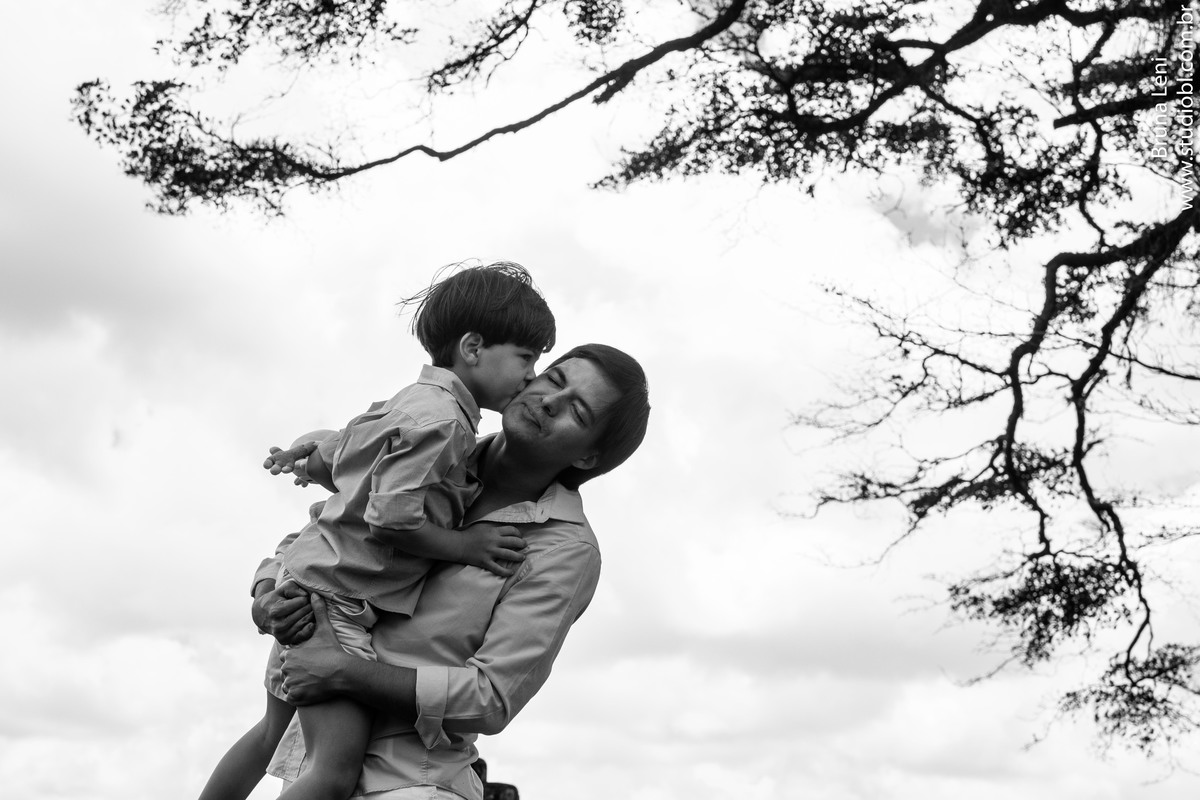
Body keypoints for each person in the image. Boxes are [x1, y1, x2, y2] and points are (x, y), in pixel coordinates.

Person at [197, 262, 557, 800]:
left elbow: (341, 452)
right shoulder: (446, 424)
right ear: (474, 347)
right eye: (526, 358)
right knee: (331, 773)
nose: (530, 376)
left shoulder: (406, 402)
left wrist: (309, 450)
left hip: (306, 581)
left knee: (273, 735)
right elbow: (389, 517)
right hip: (339, 605)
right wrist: (465, 544)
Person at [253, 344, 650, 800]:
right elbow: (326, 535)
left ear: (586, 458)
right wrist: (267, 590)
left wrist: (345, 672)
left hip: (412, 781)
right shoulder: (433, 442)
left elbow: (491, 697)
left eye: (576, 412)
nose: (549, 402)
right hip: (307, 761)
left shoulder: (566, 551)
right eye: (554, 380)